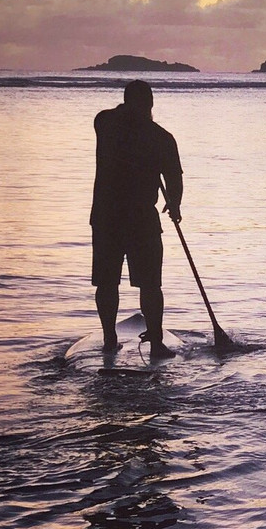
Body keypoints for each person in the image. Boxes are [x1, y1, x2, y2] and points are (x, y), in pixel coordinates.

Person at [91, 79, 183, 356]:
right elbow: (174, 180)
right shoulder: (162, 138)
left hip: (107, 218)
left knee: (108, 282)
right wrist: (175, 206)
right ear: (150, 105)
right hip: (141, 219)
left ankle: (110, 338)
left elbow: (112, 116)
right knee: (150, 284)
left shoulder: (105, 124)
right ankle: (155, 343)